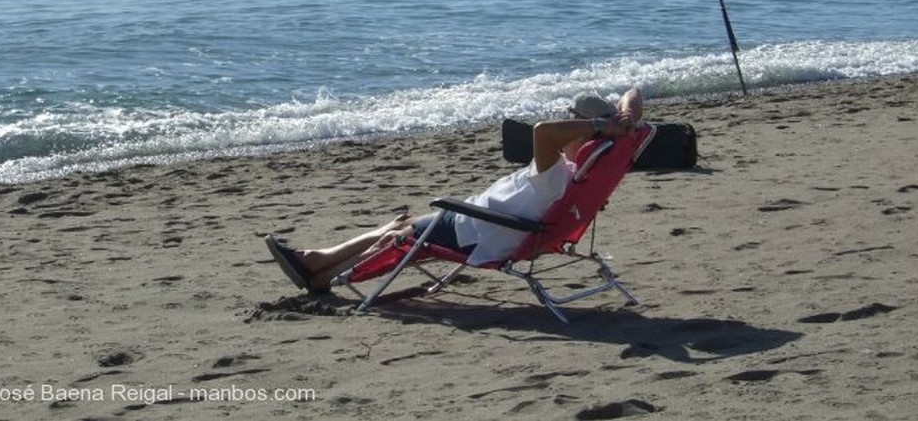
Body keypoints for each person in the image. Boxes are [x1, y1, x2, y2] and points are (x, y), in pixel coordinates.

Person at [265, 88, 644, 294]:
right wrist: (624, 119)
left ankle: (319, 276)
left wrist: (597, 125)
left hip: (479, 229)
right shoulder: (579, 170)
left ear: (582, 129)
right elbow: (635, 92)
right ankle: (316, 258)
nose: (566, 122)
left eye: (572, 120)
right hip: (485, 225)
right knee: (402, 225)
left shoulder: (556, 172)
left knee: (401, 237)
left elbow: (543, 130)